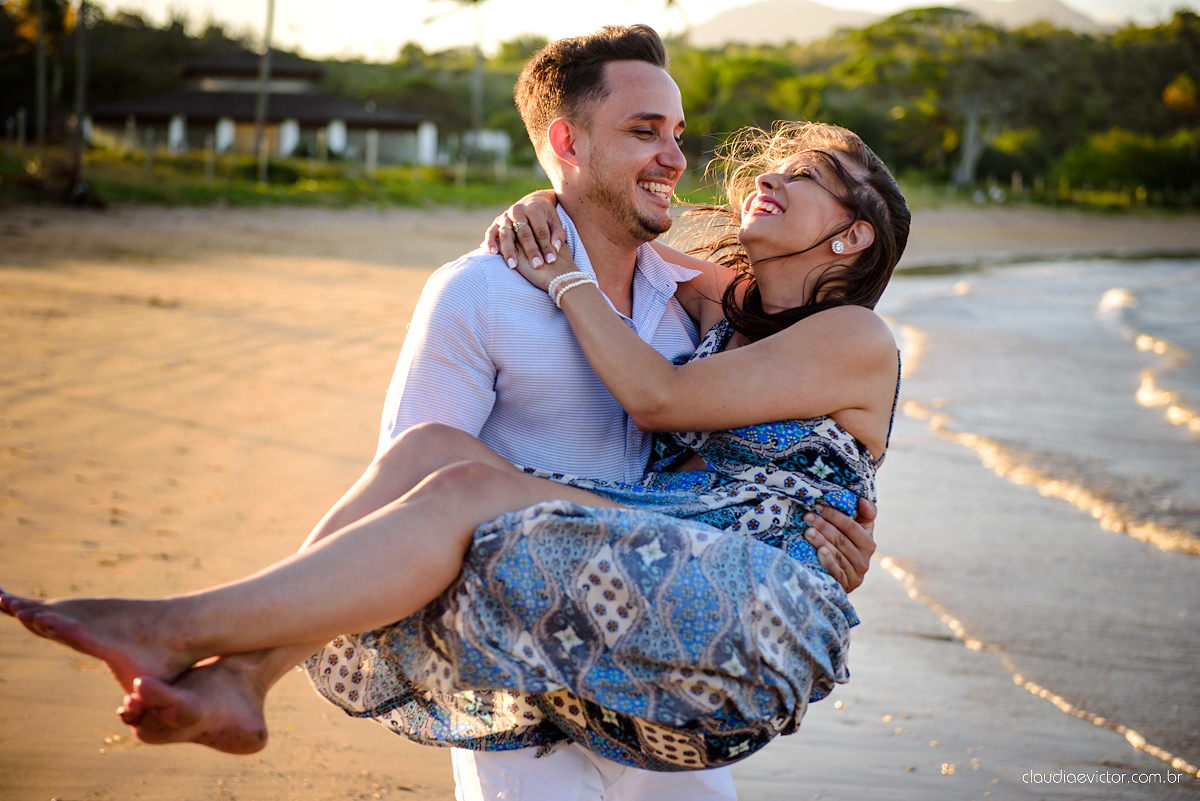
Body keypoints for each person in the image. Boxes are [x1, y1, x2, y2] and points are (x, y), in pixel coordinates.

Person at [0, 24, 889, 801]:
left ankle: (183, 628)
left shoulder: (723, 306)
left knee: (462, 479)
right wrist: (553, 215)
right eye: (644, 131)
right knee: (435, 453)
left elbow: (693, 406)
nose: (681, 160)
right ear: (565, 141)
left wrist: (846, 537)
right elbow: (396, 504)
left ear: (849, 234)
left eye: (678, 135)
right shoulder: (509, 292)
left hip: (676, 623)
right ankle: (240, 673)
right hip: (520, 658)